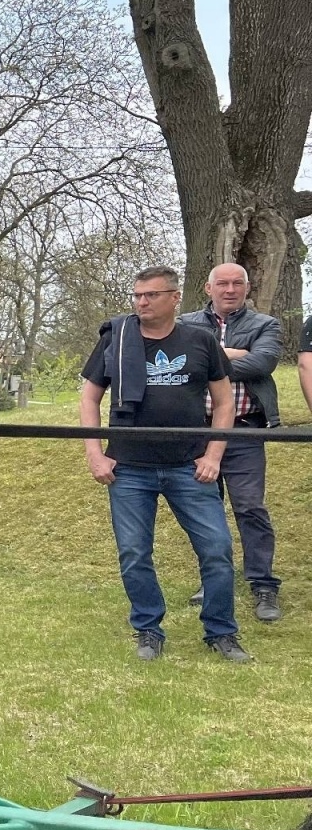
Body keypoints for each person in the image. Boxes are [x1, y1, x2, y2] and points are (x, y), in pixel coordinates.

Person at [80, 266, 246, 662]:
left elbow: (224, 403)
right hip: (129, 469)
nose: (141, 303)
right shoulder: (115, 340)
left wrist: (214, 454)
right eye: (137, 295)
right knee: (134, 553)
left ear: (175, 297)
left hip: (190, 466)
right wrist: (94, 453)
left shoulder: (200, 340)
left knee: (217, 549)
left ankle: (221, 631)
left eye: (151, 295)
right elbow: (89, 398)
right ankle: (148, 629)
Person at [180, 263, 283, 623]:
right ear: (208, 288)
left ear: (247, 287)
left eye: (237, 283)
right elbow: (185, 368)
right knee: (205, 511)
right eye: (222, 283)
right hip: (197, 433)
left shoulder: (265, 324)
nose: (229, 289)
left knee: (251, 508)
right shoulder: (185, 324)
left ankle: (263, 585)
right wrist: (234, 354)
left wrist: (212, 358)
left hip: (244, 432)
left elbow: (264, 362)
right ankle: (212, 581)